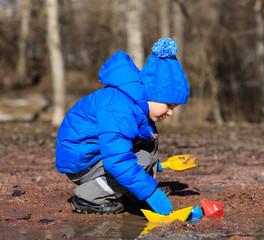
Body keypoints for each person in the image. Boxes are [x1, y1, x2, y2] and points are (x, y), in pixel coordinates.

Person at [55, 38, 189, 216]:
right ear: (152, 94)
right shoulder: (120, 108)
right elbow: (117, 160)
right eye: (169, 105)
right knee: (138, 161)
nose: (171, 113)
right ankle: (87, 198)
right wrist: (150, 192)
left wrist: (159, 166)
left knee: (149, 143)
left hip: (97, 153)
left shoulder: (138, 107)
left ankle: (133, 191)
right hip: (82, 161)